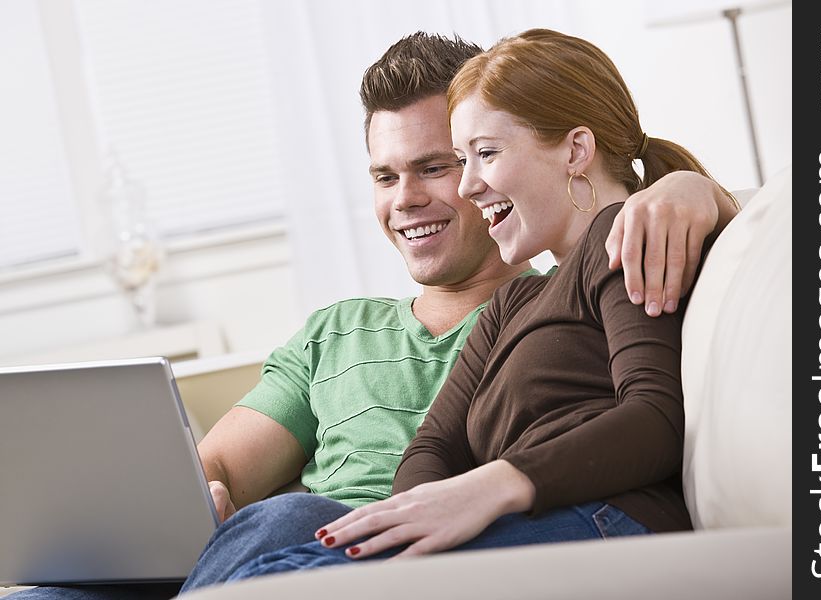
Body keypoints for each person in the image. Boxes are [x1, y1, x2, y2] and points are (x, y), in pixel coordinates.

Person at [9, 32, 735, 600]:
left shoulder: (616, 250)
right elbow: (223, 467)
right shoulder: (354, 330)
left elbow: (650, 403)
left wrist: (698, 191)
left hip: (365, 535)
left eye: (442, 164)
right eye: (386, 177)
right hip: (290, 544)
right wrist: (182, 504)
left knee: (284, 522)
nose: (408, 198)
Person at [219, 28, 736, 580]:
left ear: (576, 151)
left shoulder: (621, 236)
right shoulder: (515, 304)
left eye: (480, 156)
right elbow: (432, 445)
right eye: (460, 160)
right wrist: (419, 518)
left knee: (272, 557)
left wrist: (484, 490)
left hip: (599, 524)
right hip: (522, 523)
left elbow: (656, 418)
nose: (468, 185)